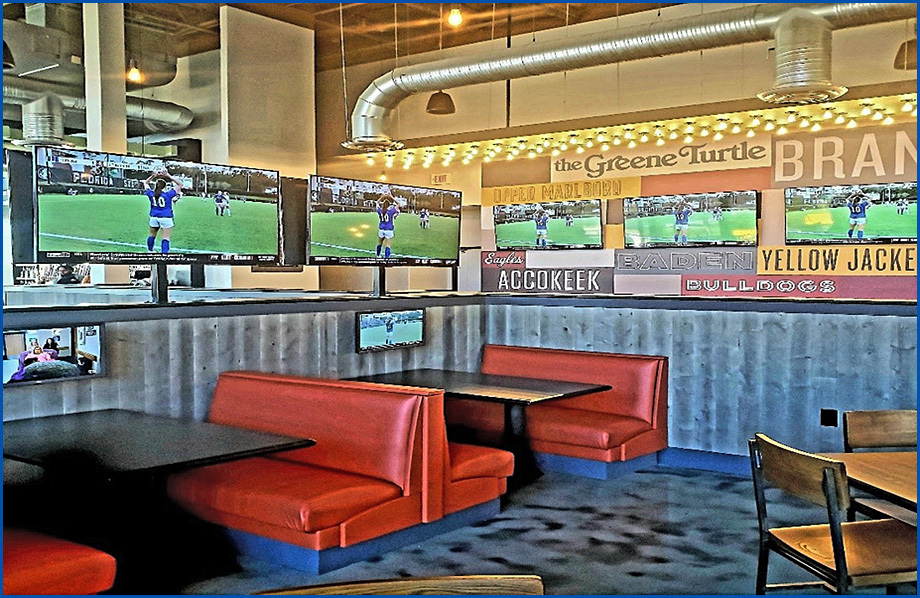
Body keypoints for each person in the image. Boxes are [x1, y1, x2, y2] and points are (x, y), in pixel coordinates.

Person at [143, 169, 184, 253]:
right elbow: (180, 185)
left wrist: (153, 176)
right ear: (165, 187)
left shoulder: (151, 193)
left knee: (152, 235)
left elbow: (145, 183)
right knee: (165, 238)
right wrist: (168, 176)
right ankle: (164, 255)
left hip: (154, 216)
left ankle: (150, 251)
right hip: (166, 217)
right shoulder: (168, 194)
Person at [375, 189, 400, 259]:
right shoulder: (391, 211)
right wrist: (392, 197)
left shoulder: (380, 210)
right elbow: (398, 204)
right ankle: (387, 258)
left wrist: (381, 197)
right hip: (389, 229)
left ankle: (378, 256)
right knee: (388, 245)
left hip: (381, 229)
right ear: (389, 205)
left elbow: (377, 203)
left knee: (379, 243)